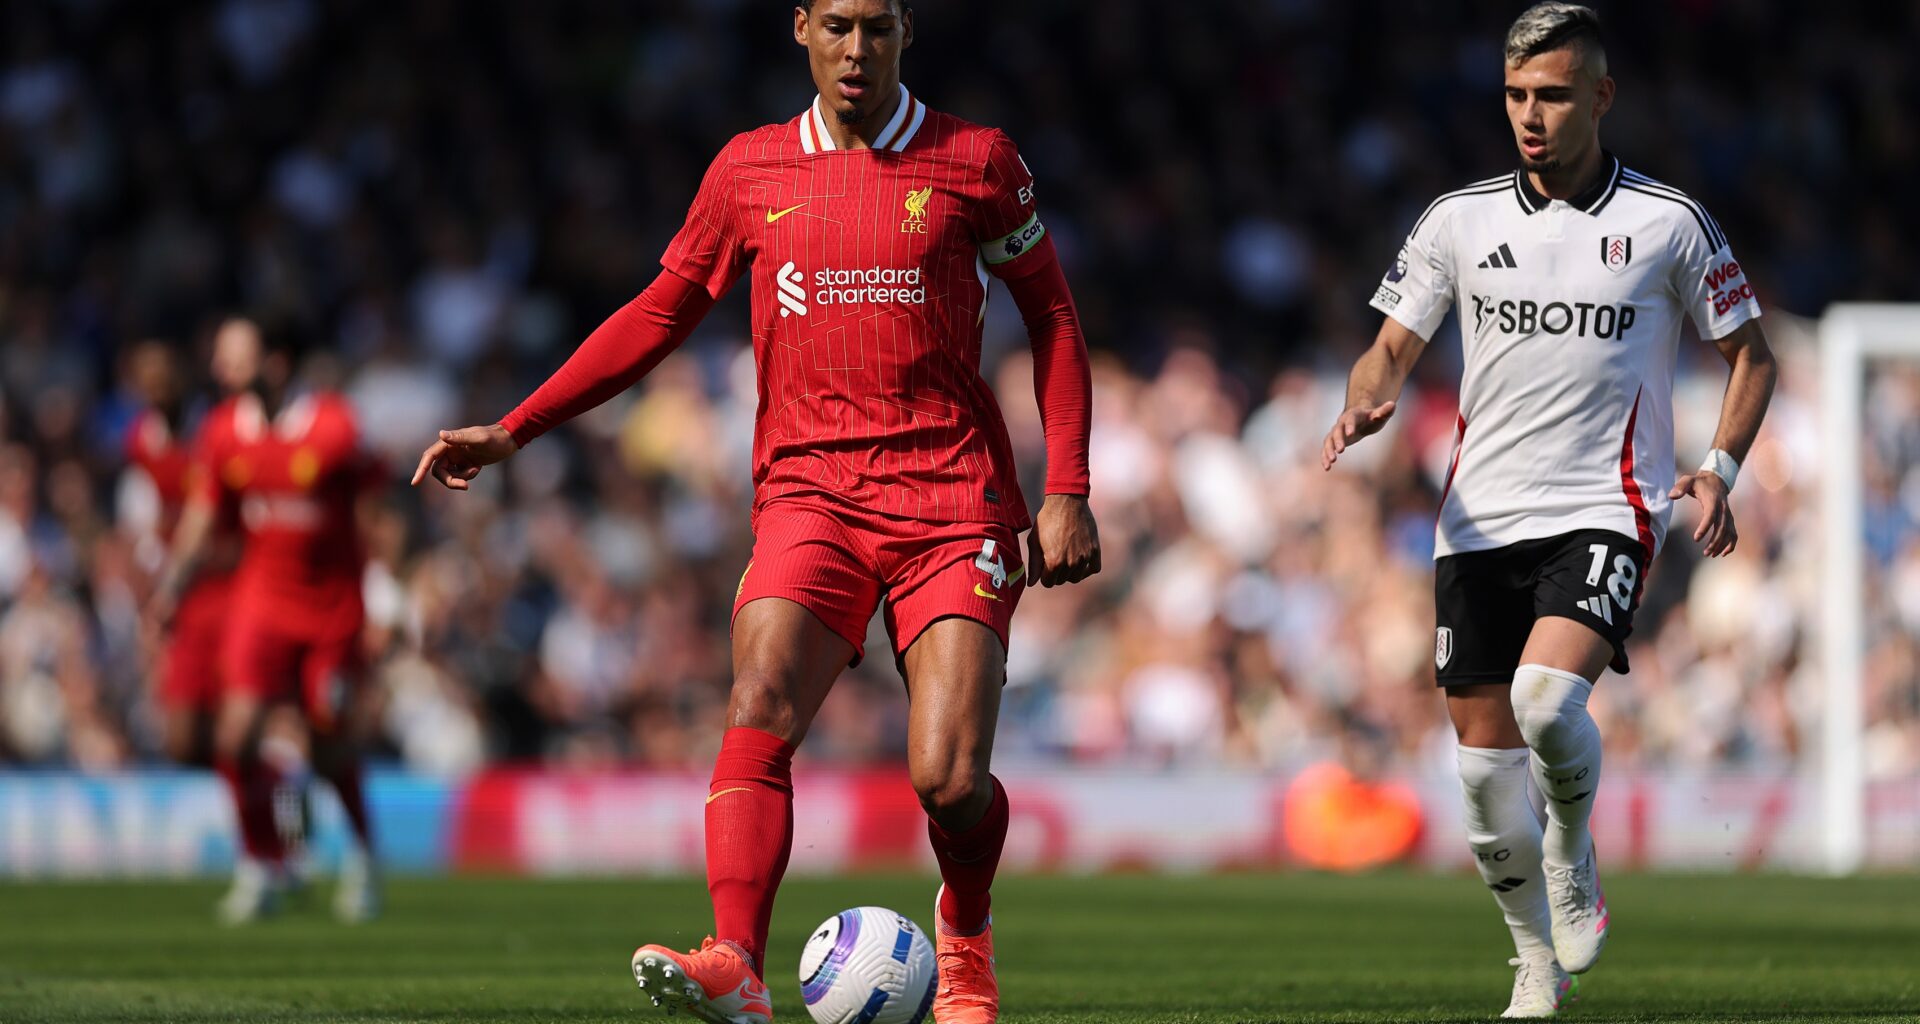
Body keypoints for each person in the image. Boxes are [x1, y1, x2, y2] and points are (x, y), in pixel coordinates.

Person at [414, 1, 1098, 1020]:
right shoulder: (749, 171)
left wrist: (1068, 488)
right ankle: (736, 961)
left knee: (949, 780)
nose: (856, 51)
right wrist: (518, 428)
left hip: (951, 499)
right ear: (799, 29)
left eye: (876, 28)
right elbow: (659, 312)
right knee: (760, 697)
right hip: (809, 493)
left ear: (906, 31)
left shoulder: (976, 159)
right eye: (836, 27)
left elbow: (1051, 312)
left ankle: (965, 931)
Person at [1321, 4, 1775, 1017]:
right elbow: (1391, 344)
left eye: (1555, 94)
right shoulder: (1457, 220)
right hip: (1477, 521)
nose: (1531, 115)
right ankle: (1535, 958)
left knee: (1543, 704)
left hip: (1603, 509)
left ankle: (1573, 842)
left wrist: (1718, 466)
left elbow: (1751, 354)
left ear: (1601, 97)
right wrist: (1366, 391)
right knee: (1483, 782)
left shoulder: (1667, 224)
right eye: (1518, 95)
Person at [156, 316, 385, 924]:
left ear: (277, 362)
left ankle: (363, 858)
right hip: (261, 604)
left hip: (332, 611)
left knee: (328, 741)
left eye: (235, 358)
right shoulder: (224, 429)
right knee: (234, 737)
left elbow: (378, 509)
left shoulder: (335, 427)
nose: (219, 370)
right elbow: (206, 511)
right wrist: (173, 584)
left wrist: (387, 594)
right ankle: (262, 864)